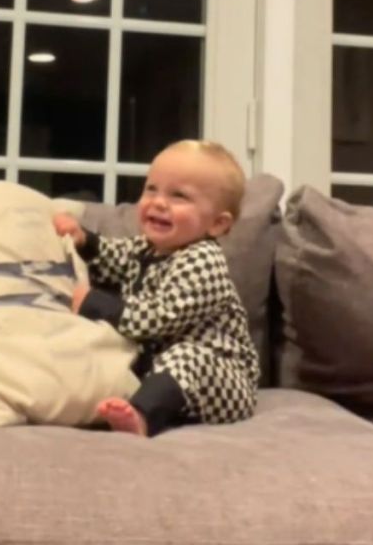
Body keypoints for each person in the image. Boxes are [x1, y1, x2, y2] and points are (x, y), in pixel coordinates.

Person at [53, 139, 259, 436]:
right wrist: (84, 240)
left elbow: (161, 317)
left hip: (223, 381)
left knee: (188, 356)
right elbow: (114, 257)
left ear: (216, 224)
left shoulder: (204, 260)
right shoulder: (148, 248)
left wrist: (95, 304)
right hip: (166, 371)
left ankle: (141, 416)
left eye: (179, 196)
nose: (158, 202)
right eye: (152, 189)